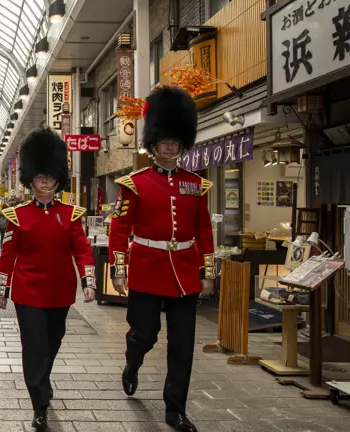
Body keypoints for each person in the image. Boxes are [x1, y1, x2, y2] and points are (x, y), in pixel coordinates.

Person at [108, 86, 214, 432]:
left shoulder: (196, 185)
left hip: (184, 273)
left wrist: (206, 272)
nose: (170, 147)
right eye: (164, 141)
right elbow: (119, 230)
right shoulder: (135, 184)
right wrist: (119, 272)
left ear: (183, 145)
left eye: (175, 142)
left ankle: (175, 409)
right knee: (146, 334)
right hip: (146, 270)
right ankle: (132, 360)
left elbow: (205, 234)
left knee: (182, 345)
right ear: (153, 144)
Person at [0, 129, 96, 431]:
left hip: (60, 292)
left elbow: (82, 250)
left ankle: (43, 376)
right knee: (34, 345)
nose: (45, 183)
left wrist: (88, 281)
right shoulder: (17, 215)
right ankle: (38, 403)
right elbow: (7, 256)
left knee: (53, 341)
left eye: (50, 178)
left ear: (57, 179)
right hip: (27, 292)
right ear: (31, 180)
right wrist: (3, 289)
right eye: (40, 178)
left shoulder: (71, 214)